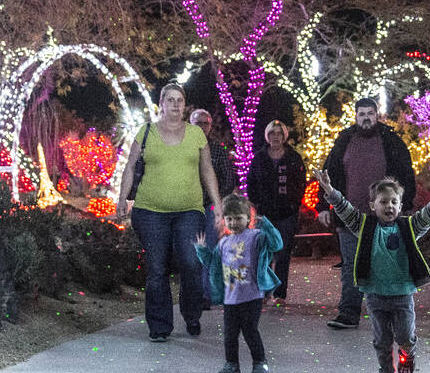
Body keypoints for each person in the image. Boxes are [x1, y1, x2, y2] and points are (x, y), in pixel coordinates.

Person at [313, 169, 430, 373]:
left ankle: (408, 353)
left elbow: (427, 216)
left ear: (400, 206)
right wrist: (330, 191)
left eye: (394, 202)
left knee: (405, 337)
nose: (389, 206)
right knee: (382, 341)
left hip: (401, 294)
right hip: (375, 295)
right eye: (383, 202)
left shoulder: (408, 227)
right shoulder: (365, 227)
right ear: (373, 206)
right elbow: (345, 209)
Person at [116, 82, 222, 342]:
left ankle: (192, 313)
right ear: (161, 103)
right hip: (150, 210)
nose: (175, 104)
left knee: (190, 262)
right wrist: (121, 199)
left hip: (189, 210)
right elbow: (130, 167)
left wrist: (218, 204)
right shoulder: (146, 131)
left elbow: (207, 169)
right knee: (157, 267)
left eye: (180, 100)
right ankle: (160, 326)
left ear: (185, 105)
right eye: (170, 99)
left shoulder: (196, 134)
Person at [315, 97, 416, 329]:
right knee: (351, 265)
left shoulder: (391, 141)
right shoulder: (344, 142)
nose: (367, 118)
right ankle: (348, 313)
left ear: (377, 114)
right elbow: (328, 175)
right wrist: (323, 206)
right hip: (349, 215)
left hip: (384, 216)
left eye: (370, 113)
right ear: (356, 116)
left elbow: (406, 173)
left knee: (386, 263)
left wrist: (406, 203)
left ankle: (390, 314)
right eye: (362, 114)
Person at [195, 193, 282, 373]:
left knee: (250, 330)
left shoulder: (256, 237)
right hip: (230, 297)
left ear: (248, 218)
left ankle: (260, 363)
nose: (234, 222)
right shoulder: (224, 243)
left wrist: (265, 224)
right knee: (230, 334)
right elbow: (214, 263)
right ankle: (231, 364)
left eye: (238, 218)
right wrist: (202, 251)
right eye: (229, 218)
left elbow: (277, 244)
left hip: (251, 295)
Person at [246, 120, 304, 306]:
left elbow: (300, 183)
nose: (276, 137)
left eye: (279, 133)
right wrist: (255, 205)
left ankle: (280, 292)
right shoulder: (259, 158)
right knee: (263, 252)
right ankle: (263, 291)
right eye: (272, 133)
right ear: (267, 136)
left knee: (282, 252)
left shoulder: (293, 157)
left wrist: (294, 205)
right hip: (264, 213)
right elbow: (251, 183)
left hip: (287, 213)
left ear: (284, 135)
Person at [190, 108, 238, 309]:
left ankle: (207, 295)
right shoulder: (184, 149)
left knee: (208, 249)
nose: (202, 127)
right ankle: (193, 293)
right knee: (191, 251)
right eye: (198, 123)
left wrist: (217, 199)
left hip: (210, 207)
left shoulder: (217, 149)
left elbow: (228, 178)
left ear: (210, 126)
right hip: (189, 207)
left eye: (206, 123)